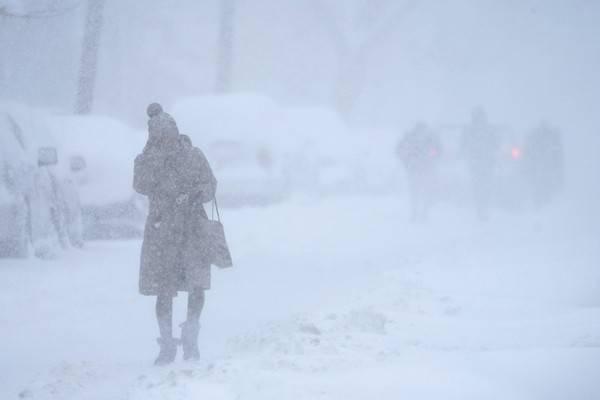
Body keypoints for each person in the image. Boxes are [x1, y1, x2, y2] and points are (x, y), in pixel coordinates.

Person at [133, 103, 217, 365]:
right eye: (158, 136)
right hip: (168, 232)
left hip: (180, 230)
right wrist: (150, 155)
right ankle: (175, 343)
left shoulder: (190, 155)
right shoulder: (151, 158)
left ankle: (183, 341)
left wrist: (192, 196)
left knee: (187, 285)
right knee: (173, 287)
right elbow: (141, 185)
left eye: (165, 134)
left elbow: (209, 185)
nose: (163, 140)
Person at [396, 122, 441, 222]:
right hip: (419, 169)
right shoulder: (428, 138)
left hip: (418, 169)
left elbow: (437, 151)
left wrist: (407, 161)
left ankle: (418, 213)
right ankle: (419, 213)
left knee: (418, 193)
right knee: (420, 192)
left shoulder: (424, 139)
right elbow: (400, 150)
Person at [460, 107, 499, 221]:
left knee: (478, 187)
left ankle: (481, 209)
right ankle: (483, 209)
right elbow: (496, 144)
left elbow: (463, 145)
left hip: (477, 163)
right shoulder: (489, 130)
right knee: (484, 187)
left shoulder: (469, 130)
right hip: (485, 163)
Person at [522, 122, 564, 208]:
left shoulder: (537, 143)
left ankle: (541, 204)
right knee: (540, 184)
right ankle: (541, 204)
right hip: (541, 172)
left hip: (541, 172)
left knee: (540, 183)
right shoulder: (550, 146)